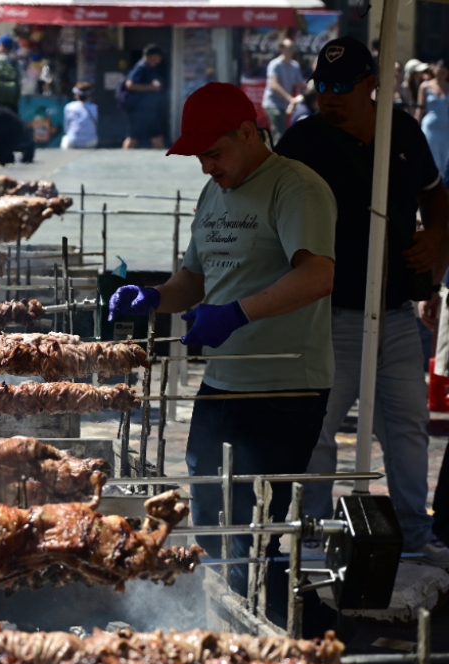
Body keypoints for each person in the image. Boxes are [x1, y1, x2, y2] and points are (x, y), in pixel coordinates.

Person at [109, 82, 338, 619]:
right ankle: (227, 624)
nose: (206, 167)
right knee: (211, 518)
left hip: (286, 385)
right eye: (198, 157)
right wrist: (154, 297)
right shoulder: (215, 192)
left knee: (252, 533)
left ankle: (288, 638)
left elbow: (319, 275)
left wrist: (235, 314)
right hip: (224, 382)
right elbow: (193, 279)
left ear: (247, 132)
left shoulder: (296, 188)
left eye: (213, 153)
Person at [274, 37, 449, 567]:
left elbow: (436, 195)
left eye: (340, 87)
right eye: (320, 86)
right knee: (319, 430)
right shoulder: (302, 140)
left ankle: (415, 535)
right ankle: (311, 532)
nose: (328, 97)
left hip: (394, 312)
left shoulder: (404, 131)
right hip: (327, 315)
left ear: (371, 85)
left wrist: (436, 240)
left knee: (407, 427)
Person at [122, 44, 165, 150]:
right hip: (139, 109)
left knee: (156, 135)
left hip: (148, 109)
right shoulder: (141, 67)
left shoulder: (151, 68)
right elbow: (130, 84)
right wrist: (151, 87)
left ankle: (163, 161)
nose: (161, 58)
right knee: (134, 137)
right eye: (159, 55)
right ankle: (123, 159)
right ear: (153, 56)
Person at [262, 39, 305, 140]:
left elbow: (301, 85)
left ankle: (268, 153)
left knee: (279, 132)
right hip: (272, 103)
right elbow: (274, 85)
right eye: (289, 48)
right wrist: (290, 98)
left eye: (293, 48)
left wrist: (306, 97)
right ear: (282, 49)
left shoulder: (295, 66)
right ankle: (277, 155)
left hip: (284, 105)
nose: (292, 50)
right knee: (280, 134)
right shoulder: (274, 64)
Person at [418, 60, 449, 186]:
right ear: (434, 70)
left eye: (444, 72)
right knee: (433, 160)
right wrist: (416, 127)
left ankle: (444, 191)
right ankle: (434, 190)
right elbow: (420, 109)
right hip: (430, 127)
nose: (441, 74)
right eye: (439, 71)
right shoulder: (425, 86)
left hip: (446, 128)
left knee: (445, 161)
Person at [61, 81, 98, 149]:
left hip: (73, 140)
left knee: (65, 139)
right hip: (90, 141)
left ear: (77, 95)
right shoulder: (94, 108)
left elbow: (66, 126)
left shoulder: (69, 107)